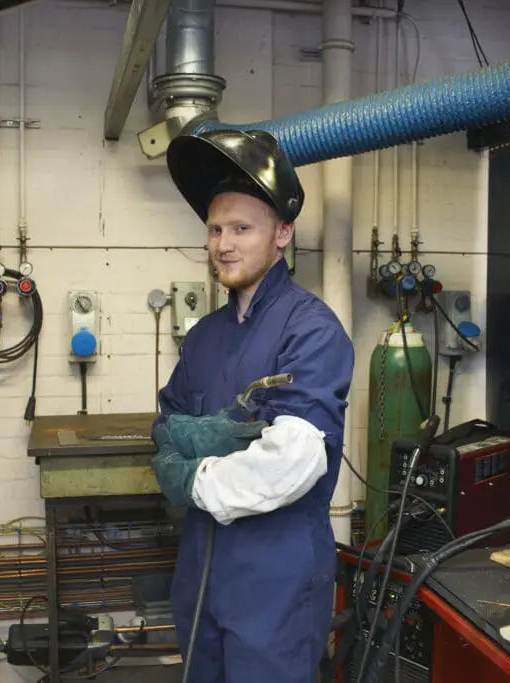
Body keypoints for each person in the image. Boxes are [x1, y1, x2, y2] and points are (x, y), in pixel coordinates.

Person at [150, 128, 355, 683]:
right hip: (201, 573)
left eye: (242, 228)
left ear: (282, 233)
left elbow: (294, 458)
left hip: (276, 582)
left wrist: (193, 479)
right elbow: (166, 424)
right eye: (215, 229)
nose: (224, 244)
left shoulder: (311, 330)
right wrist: (186, 440)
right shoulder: (203, 337)